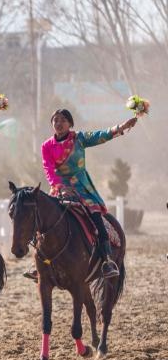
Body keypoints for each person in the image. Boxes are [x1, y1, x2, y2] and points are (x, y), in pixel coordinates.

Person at [39, 108, 137, 278]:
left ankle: (107, 260)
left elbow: (101, 135)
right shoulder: (46, 146)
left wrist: (121, 127)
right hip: (59, 187)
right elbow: (48, 168)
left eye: (63, 120)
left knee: (96, 218)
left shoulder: (79, 138)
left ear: (70, 123)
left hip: (82, 188)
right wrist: (59, 186)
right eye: (55, 120)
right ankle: (40, 262)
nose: (59, 123)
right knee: (42, 219)